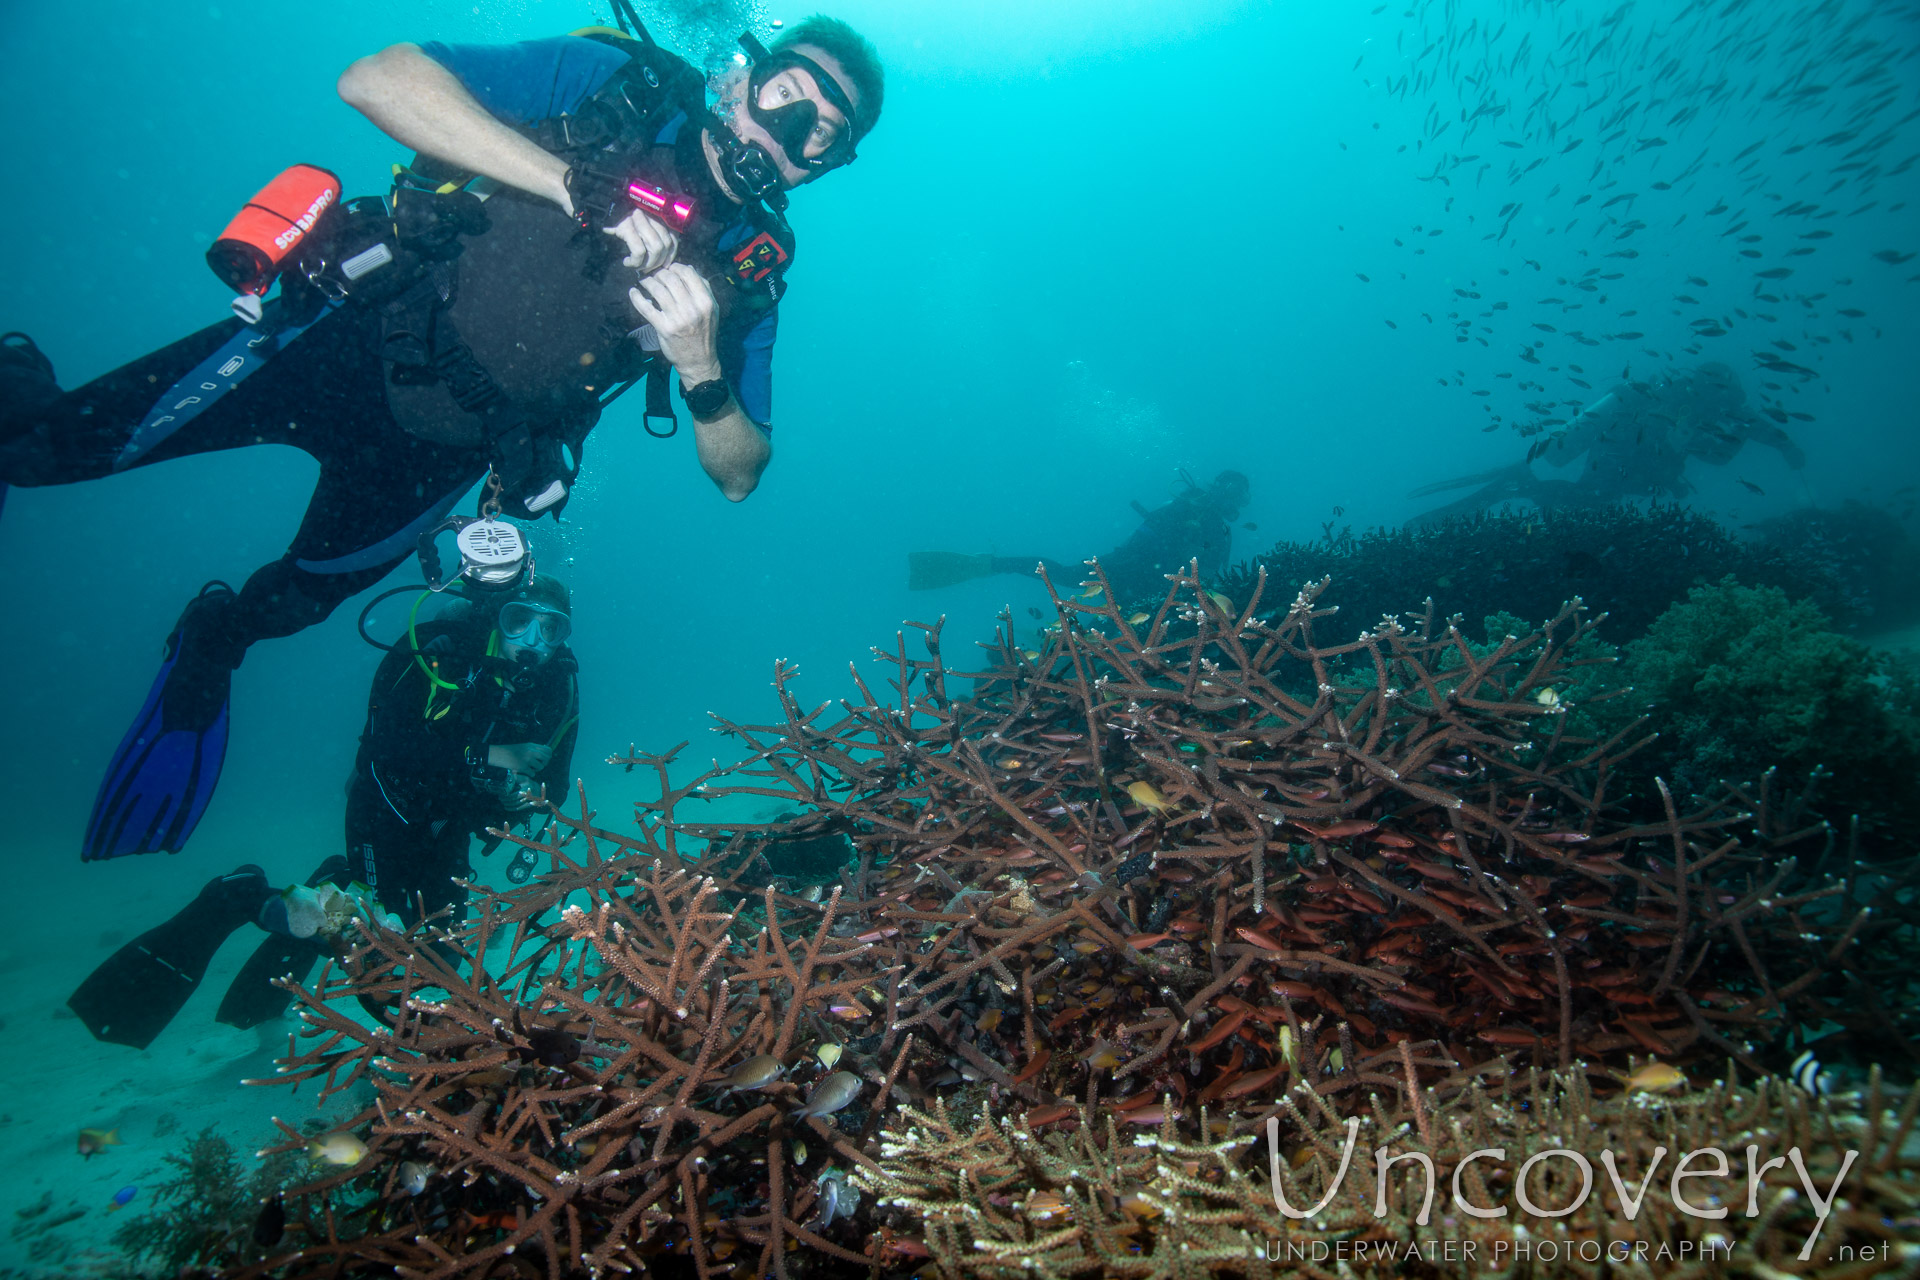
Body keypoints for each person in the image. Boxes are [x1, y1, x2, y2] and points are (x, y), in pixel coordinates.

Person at [0, 12, 884, 860]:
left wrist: (699, 367)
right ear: (741, 79)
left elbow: (741, 472)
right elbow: (376, 81)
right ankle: (18, 379)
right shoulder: (617, 81)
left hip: (446, 453)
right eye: (787, 94)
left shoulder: (749, 272)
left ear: (829, 168)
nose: (790, 130)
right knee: (38, 454)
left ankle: (211, 638)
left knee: (293, 605)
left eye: (821, 135)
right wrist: (574, 184)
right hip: (344, 340)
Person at [67, 574, 580, 1048]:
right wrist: (491, 756)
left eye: (550, 629)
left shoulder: (560, 685)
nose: (534, 641)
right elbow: (385, 749)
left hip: (450, 828)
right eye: (519, 621)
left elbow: (554, 785)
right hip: (386, 809)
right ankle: (243, 897)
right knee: (375, 957)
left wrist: (523, 798)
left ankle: (329, 888)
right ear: (496, 615)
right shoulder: (435, 651)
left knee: (438, 953)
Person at [1408, 362, 1806, 527]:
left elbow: (1757, 428)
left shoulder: (1701, 405)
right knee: (1588, 501)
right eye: (1727, 400)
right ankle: (1519, 484)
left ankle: (1519, 482)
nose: (1730, 409)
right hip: (1618, 462)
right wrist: (1787, 447)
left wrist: (1787, 446)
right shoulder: (1693, 405)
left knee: (1589, 502)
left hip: (1625, 463)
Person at [908, 471, 1252, 604]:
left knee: (1070, 578)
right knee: (1069, 576)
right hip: (1138, 566)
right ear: (1228, 494)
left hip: (1145, 572)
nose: (1239, 504)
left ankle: (987, 564)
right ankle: (987, 564)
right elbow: (1189, 557)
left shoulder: (1208, 518)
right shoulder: (1204, 516)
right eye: (1238, 497)